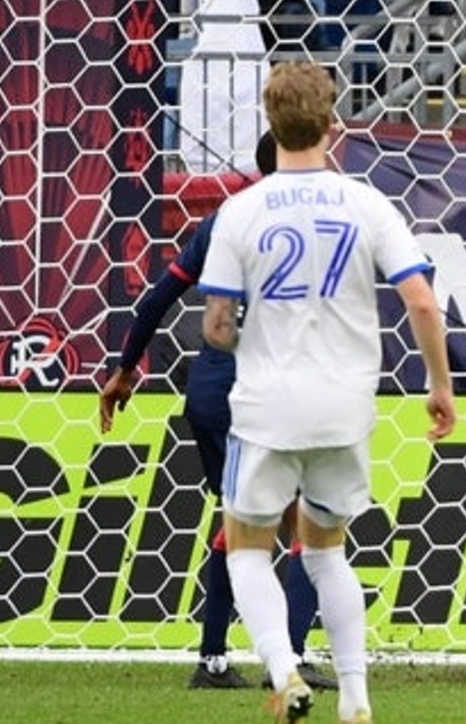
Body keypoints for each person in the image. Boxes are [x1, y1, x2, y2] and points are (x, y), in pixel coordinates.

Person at [199, 60, 455, 724]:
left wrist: (246, 332)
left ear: (269, 119)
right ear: (333, 123)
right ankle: (359, 702)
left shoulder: (241, 210)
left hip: (266, 406)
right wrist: (440, 384)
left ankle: (285, 673)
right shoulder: (367, 202)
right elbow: (423, 300)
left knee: (248, 548)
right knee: (326, 550)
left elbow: (218, 324)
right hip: (344, 405)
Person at [95, 130, 330, 691]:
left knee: (242, 519)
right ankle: (289, 657)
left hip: (208, 394)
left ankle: (215, 659)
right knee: (304, 519)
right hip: (261, 392)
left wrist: (125, 369)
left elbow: (156, 298)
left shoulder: (224, 221)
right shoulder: (310, 224)